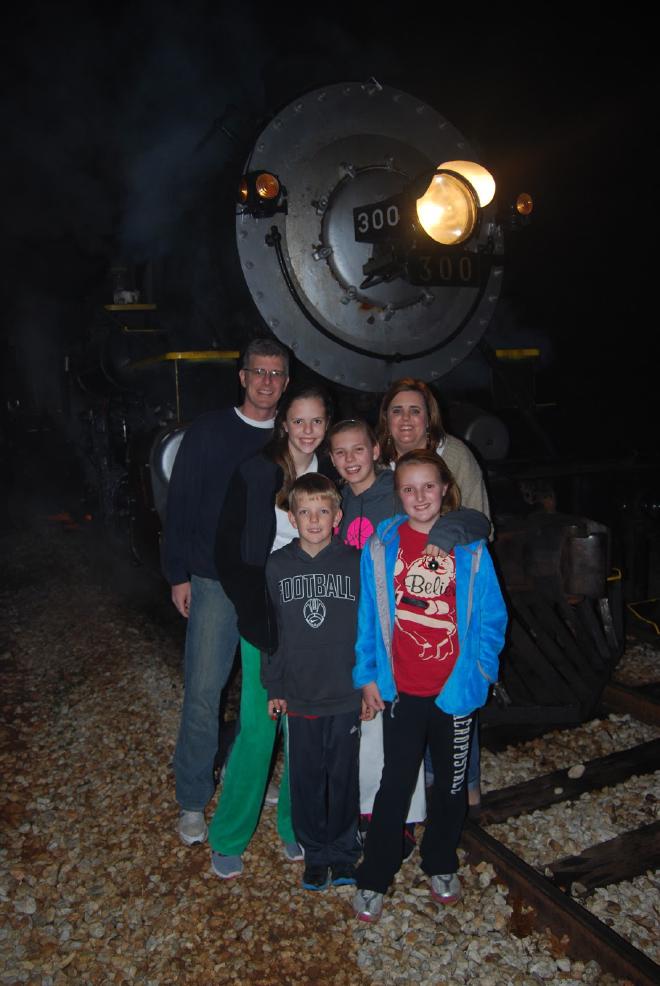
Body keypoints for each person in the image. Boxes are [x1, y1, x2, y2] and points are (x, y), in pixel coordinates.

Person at [352, 449, 507, 922]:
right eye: (408, 488)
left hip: (454, 694)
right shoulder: (381, 547)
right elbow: (367, 619)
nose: (419, 497)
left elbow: (492, 617)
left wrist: (481, 672)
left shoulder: (471, 549)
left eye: (428, 487)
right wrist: (367, 676)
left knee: (453, 786)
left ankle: (440, 861)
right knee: (394, 783)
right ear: (397, 495)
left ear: (444, 489)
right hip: (403, 691)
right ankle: (374, 874)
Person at [328, 419, 490, 848]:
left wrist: (482, 669)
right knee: (383, 749)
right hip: (373, 641)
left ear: (375, 451)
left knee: (414, 760)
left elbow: (472, 522)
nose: (350, 459)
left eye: (358, 449)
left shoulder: (396, 493)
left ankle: (417, 832)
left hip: (425, 657)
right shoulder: (340, 499)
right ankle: (372, 823)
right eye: (340, 452)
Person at [163, 338, 289, 846]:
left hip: (269, 585)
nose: (266, 382)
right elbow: (181, 502)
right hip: (213, 580)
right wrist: (178, 573)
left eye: (276, 374)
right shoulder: (210, 431)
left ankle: (248, 773)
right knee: (204, 690)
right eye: (258, 372)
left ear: (286, 381)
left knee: (267, 696)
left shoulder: (291, 433)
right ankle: (193, 797)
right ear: (242, 377)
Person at [208, 386, 333, 878]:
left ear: (326, 424)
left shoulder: (332, 472)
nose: (307, 431)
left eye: (316, 421)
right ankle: (228, 835)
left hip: (316, 618)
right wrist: (253, 611)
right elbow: (228, 550)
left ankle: (294, 825)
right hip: (266, 616)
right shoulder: (257, 471)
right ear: (284, 423)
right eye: (299, 421)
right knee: (260, 729)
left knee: (304, 729)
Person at [377, 378, 492, 806]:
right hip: (398, 595)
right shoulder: (378, 461)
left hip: (448, 592)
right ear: (386, 420)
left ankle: (466, 780)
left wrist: (444, 533)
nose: (406, 419)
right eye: (397, 410)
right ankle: (425, 786)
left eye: (415, 410)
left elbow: (480, 519)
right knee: (412, 694)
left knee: (455, 685)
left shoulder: (455, 455)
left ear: (430, 417)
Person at [264, 473, 362, 891]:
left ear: (337, 517)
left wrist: (368, 683)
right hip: (301, 694)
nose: (315, 519)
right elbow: (273, 634)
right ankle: (315, 854)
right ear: (292, 517)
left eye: (323, 511)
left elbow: (368, 629)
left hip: (345, 693)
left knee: (343, 776)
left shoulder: (355, 563)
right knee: (305, 779)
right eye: (305, 512)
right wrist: (275, 686)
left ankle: (343, 852)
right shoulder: (277, 566)